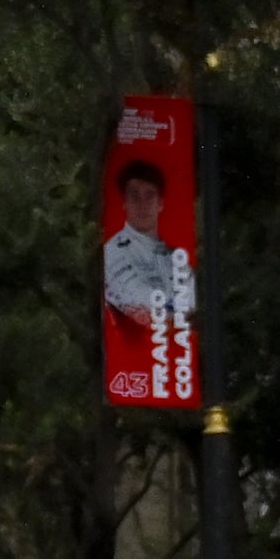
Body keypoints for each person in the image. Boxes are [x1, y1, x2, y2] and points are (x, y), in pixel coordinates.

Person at [102, 160, 194, 398]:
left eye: (149, 196)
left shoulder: (177, 258)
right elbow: (148, 308)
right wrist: (174, 312)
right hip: (135, 364)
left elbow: (192, 308)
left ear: (161, 203)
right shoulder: (112, 253)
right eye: (134, 196)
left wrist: (171, 314)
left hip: (176, 371)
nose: (142, 204)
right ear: (124, 203)